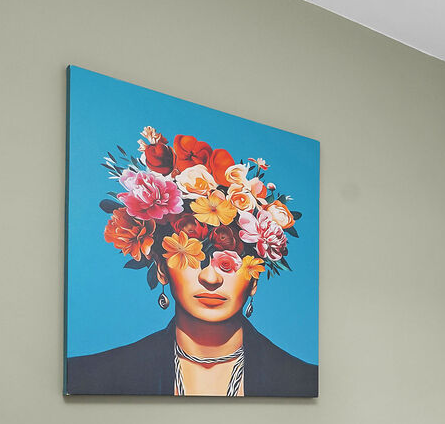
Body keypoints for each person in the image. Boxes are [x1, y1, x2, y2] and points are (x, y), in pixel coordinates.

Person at [66, 127, 317, 397]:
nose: (210, 278)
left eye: (229, 261)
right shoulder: (87, 379)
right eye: (192, 255)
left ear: (254, 277)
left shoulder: (304, 383)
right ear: (161, 268)